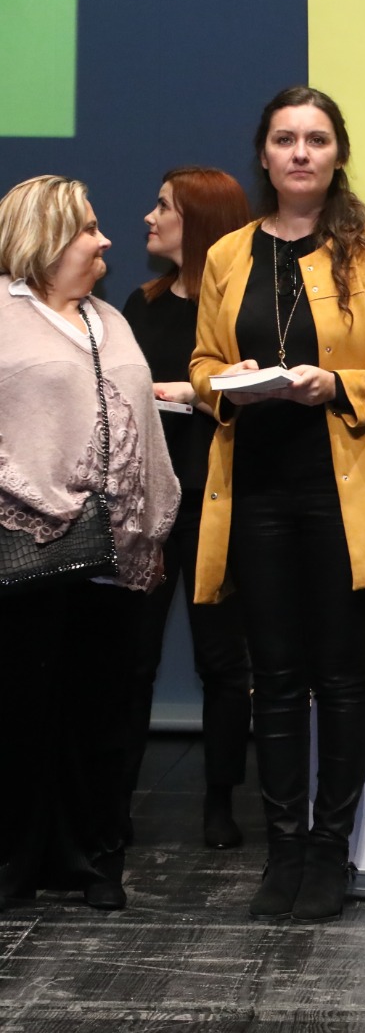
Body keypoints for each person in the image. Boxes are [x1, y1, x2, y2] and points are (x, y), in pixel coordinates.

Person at [189, 86, 365, 925]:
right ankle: (284, 852)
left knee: (338, 677)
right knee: (274, 678)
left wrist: (337, 384)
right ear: (264, 155)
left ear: (338, 155)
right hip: (255, 492)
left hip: (346, 497)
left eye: (317, 139)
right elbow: (202, 365)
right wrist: (226, 384)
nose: (301, 153)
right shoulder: (228, 255)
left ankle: (330, 851)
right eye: (285, 139)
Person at [0, 175, 181, 911]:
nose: (105, 240)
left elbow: (144, 426)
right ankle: (14, 860)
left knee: (104, 710)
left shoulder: (112, 319)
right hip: (26, 544)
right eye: (87, 228)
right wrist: (33, 491)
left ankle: (95, 858)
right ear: (45, 237)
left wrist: (153, 520)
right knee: (21, 709)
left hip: (119, 552)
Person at [120, 167, 255, 850]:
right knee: (132, 660)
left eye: (164, 207)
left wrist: (188, 391)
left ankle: (220, 804)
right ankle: (114, 803)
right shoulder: (140, 305)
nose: (149, 217)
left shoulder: (239, 311)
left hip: (213, 504)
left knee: (222, 661)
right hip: (146, 508)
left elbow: (255, 392)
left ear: (197, 223)